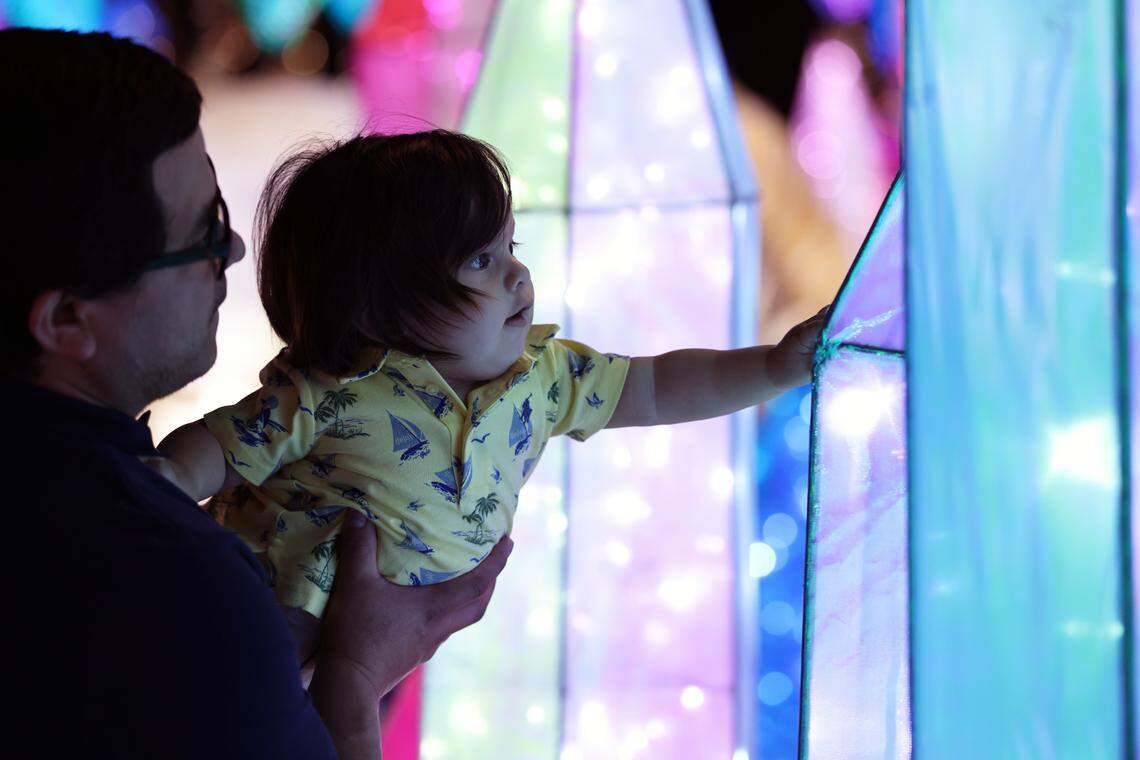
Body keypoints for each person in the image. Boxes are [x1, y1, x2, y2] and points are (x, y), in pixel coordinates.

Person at [3, 28, 511, 759]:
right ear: (67, 319)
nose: (234, 251)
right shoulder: (173, 587)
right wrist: (358, 669)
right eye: (204, 231)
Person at [152, 130, 827, 656]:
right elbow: (224, 440)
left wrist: (773, 367)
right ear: (377, 301)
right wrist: (172, 477)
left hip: (396, 633)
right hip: (270, 607)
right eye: (480, 261)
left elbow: (657, 386)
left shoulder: (542, 376)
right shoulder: (338, 387)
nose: (517, 273)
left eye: (510, 246)